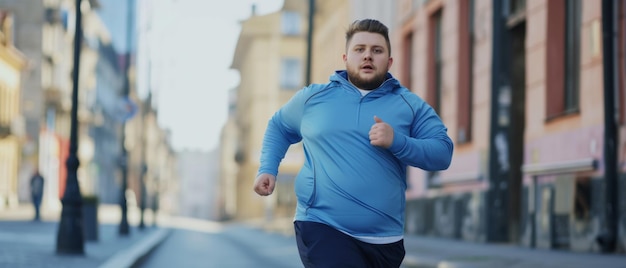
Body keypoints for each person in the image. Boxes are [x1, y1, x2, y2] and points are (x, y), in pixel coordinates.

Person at [253, 19, 454, 267]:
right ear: (346, 58)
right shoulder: (313, 98)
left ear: (389, 62)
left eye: (377, 50)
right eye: (360, 49)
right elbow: (279, 126)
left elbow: (443, 152)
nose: (367, 56)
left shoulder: (409, 104)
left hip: (385, 239)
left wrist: (397, 141)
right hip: (321, 224)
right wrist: (267, 168)